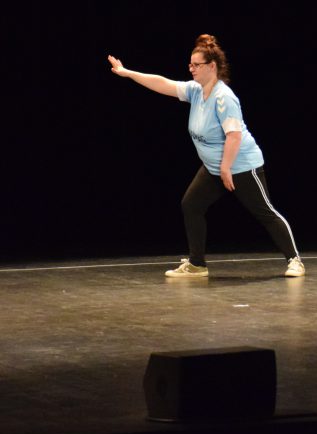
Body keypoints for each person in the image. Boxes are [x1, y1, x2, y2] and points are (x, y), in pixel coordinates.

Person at [107, 34, 304, 278]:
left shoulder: (225, 97)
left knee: (264, 211)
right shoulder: (196, 91)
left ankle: (295, 260)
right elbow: (163, 83)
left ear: (212, 66)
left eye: (196, 65)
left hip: (241, 166)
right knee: (191, 205)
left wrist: (226, 169)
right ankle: (197, 264)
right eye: (190, 64)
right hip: (214, 167)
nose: (191, 69)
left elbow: (234, 136)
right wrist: (128, 73)